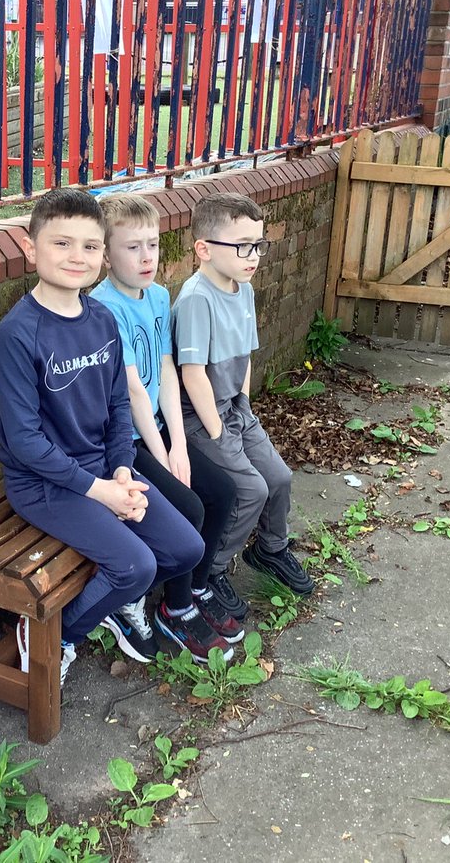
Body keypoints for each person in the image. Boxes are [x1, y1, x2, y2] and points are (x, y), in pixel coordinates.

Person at [0, 188, 204, 686]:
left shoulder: (102, 319)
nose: (76, 257)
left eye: (89, 246)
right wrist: (102, 492)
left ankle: (107, 603)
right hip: (43, 484)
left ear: (102, 254)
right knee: (133, 565)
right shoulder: (18, 334)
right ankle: (58, 634)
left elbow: (116, 409)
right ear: (31, 248)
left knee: (186, 549)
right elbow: (25, 442)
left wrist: (122, 471)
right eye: (61, 243)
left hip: (104, 471)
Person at [89, 194, 241, 664]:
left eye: (152, 244)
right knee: (190, 506)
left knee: (225, 492)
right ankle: (174, 611)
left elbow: (167, 368)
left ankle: (195, 589)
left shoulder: (157, 296)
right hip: (126, 443)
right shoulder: (103, 307)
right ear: (107, 255)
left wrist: (179, 443)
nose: (146, 257)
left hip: (158, 430)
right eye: (132, 247)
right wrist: (162, 455)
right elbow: (133, 391)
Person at [172, 192, 314, 600]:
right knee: (249, 490)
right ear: (204, 249)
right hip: (201, 419)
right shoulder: (197, 299)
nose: (253, 256)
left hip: (234, 408)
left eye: (258, 245)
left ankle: (270, 549)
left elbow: (246, 355)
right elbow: (193, 374)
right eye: (242, 246)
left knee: (279, 478)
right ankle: (211, 572)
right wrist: (218, 431)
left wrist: (245, 406)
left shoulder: (244, 289)